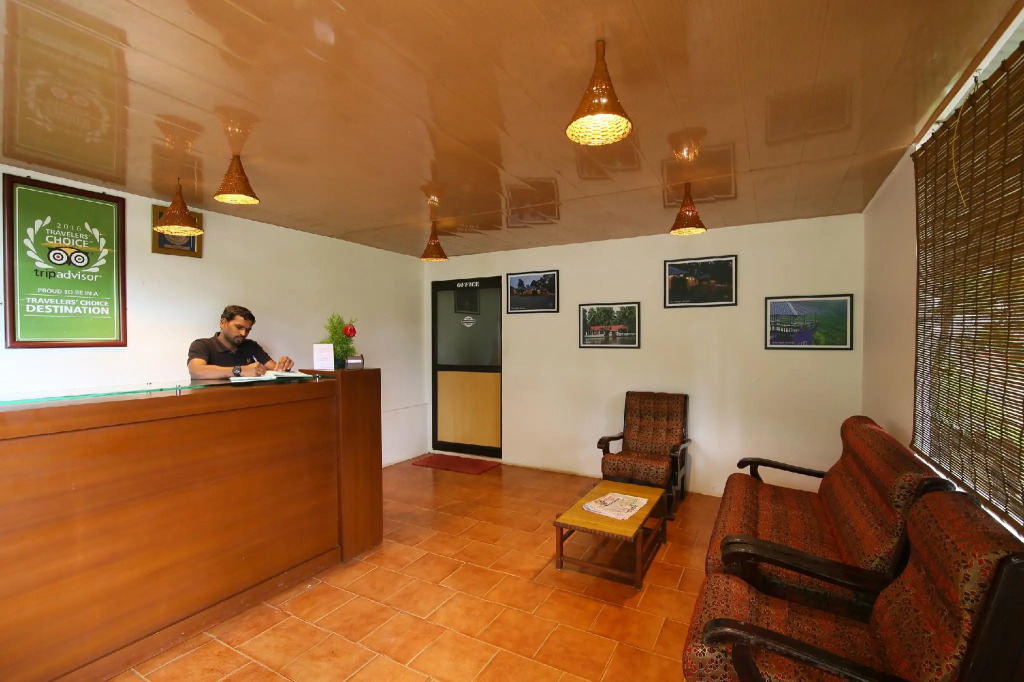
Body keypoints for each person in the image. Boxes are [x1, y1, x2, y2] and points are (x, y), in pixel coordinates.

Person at [188, 305, 295, 379]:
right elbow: (196, 372)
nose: (243, 333)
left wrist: (283, 366)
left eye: (248, 330)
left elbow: (275, 369)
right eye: (239, 327)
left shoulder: (251, 345)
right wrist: (241, 370)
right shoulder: (202, 345)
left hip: (248, 400)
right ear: (223, 323)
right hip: (213, 401)